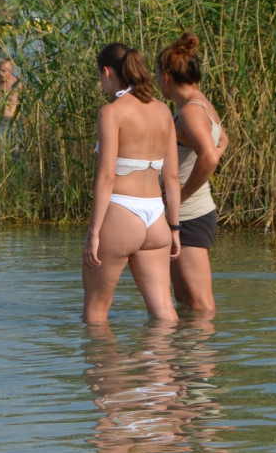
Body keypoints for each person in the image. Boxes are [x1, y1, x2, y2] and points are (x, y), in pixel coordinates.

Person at [83, 43, 181, 323]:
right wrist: (174, 229)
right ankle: (164, 365)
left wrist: (94, 232)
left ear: (106, 71)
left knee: (96, 313)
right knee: (164, 313)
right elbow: (172, 178)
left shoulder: (112, 112)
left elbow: (106, 176)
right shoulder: (163, 111)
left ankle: (105, 367)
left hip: (121, 214)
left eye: (100, 77)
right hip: (157, 219)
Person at [156, 33, 229, 314]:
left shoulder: (190, 112)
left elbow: (210, 156)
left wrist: (183, 195)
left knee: (200, 306)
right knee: (187, 303)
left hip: (190, 216)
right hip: (189, 215)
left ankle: (204, 358)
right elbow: (223, 143)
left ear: (166, 77)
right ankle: (185, 357)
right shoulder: (201, 104)